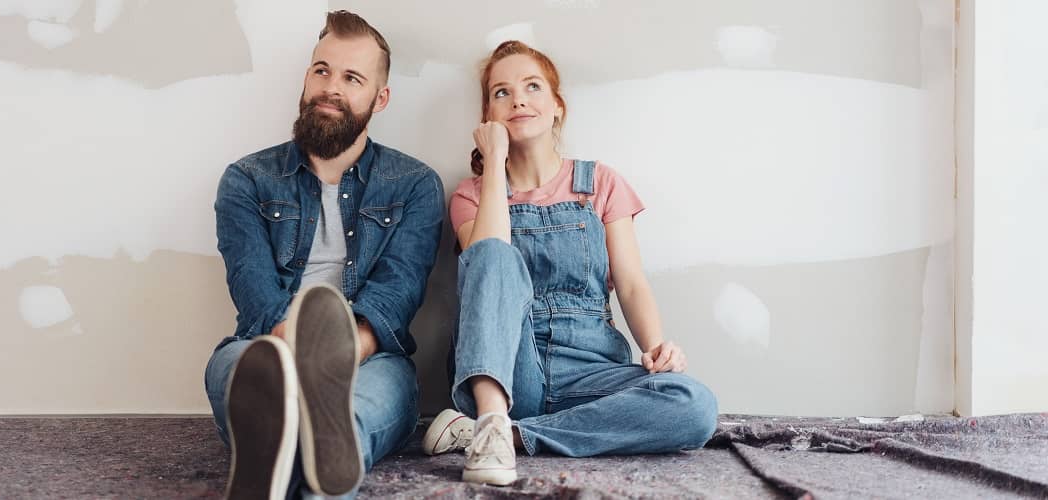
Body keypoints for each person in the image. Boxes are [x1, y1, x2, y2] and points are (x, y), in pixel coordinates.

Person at [421, 40, 718, 486]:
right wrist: (496, 162)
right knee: (493, 253)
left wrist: (656, 348)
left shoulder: (600, 182)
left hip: (590, 369)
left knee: (694, 404)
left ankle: (502, 436)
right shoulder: (471, 195)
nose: (518, 99)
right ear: (488, 116)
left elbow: (632, 283)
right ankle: (492, 415)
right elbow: (490, 260)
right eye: (501, 93)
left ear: (557, 107)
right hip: (507, 371)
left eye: (532, 86)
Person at [204, 10, 444, 499]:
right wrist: (298, 360)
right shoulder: (246, 180)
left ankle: (283, 449)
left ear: (380, 98)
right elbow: (255, 293)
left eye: (352, 77)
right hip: (262, 353)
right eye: (322, 70)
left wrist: (333, 358)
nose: (330, 87)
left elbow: (396, 296)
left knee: (339, 432)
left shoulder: (416, 185)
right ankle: (286, 428)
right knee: (254, 388)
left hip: (370, 359)